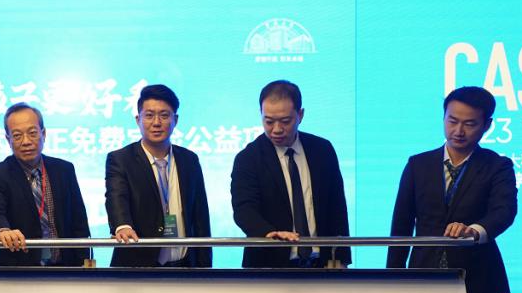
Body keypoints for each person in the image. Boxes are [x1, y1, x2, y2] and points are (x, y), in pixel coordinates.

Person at [387, 86, 517, 293]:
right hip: (422, 280)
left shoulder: (498, 166)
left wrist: (475, 230)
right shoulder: (418, 164)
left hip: (476, 282)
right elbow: (401, 225)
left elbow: (504, 212)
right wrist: (392, 279)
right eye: (452, 121)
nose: (459, 130)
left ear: (487, 125)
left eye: (469, 124)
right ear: (443, 118)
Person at [230, 80, 350, 268]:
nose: (276, 129)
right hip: (269, 265)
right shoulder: (248, 158)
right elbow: (244, 209)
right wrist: (268, 233)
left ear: (300, 115)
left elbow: (337, 207)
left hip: (321, 265)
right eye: (269, 121)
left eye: (285, 121)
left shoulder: (322, 150)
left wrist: (342, 258)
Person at [105, 84, 212, 267]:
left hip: (185, 265)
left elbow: (200, 216)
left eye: (164, 115)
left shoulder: (189, 160)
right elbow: (116, 197)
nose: (156, 122)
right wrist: (123, 225)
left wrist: (205, 268)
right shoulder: (121, 159)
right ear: (138, 119)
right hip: (138, 266)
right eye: (149, 115)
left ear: (175, 120)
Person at [0, 103, 90, 266]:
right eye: (17, 135)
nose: (26, 141)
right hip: (19, 268)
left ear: (43, 134)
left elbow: (78, 220)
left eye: (32, 133)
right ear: (8, 139)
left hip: (66, 267)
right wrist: (2, 230)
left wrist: (84, 264)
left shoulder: (64, 169)